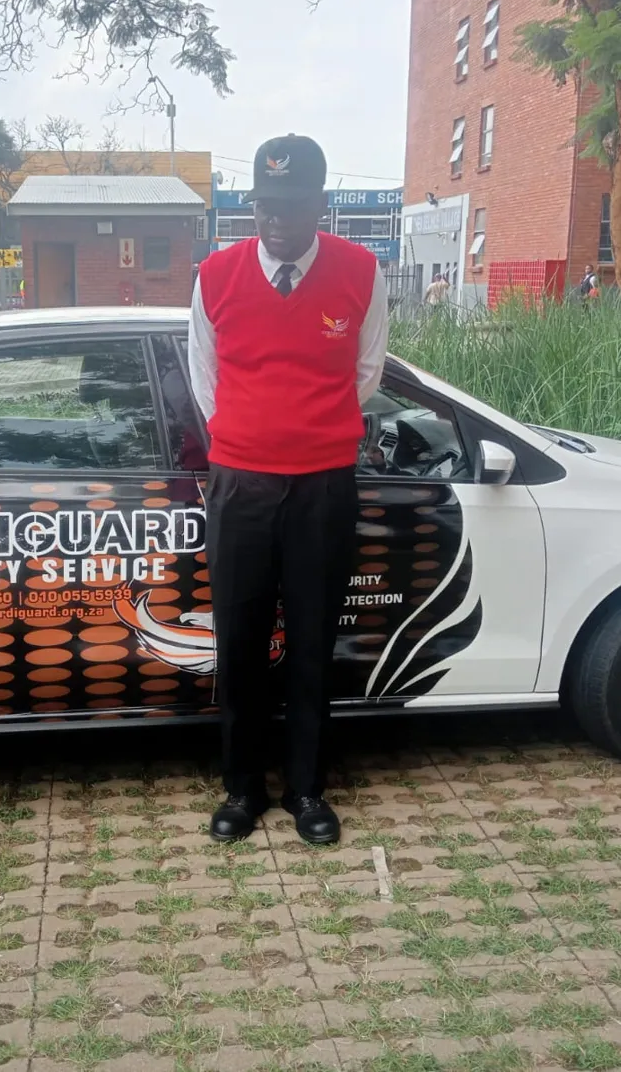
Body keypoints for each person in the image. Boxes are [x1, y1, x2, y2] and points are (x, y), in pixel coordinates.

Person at [188, 134, 388, 846]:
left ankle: (306, 790)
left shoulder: (360, 271)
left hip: (323, 489)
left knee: (311, 642)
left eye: (292, 206)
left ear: (320, 205)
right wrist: (250, 438)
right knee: (239, 643)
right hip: (240, 487)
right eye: (264, 207)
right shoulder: (215, 274)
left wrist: (312, 433)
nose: (276, 221)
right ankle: (242, 790)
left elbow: (366, 371)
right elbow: (205, 376)